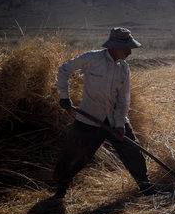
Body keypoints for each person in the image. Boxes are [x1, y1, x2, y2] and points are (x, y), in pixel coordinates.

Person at [52, 27, 153, 198]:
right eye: (127, 48)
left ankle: (145, 186)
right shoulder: (92, 58)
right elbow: (64, 70)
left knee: (132, 151)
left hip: (114, 119)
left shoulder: (124, 69)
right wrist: (64, 96)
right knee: (75, 154)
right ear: (114, 47)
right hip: (88, 118)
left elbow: (123, 99)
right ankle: (60, 187)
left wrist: (120, 124)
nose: (130, 52)